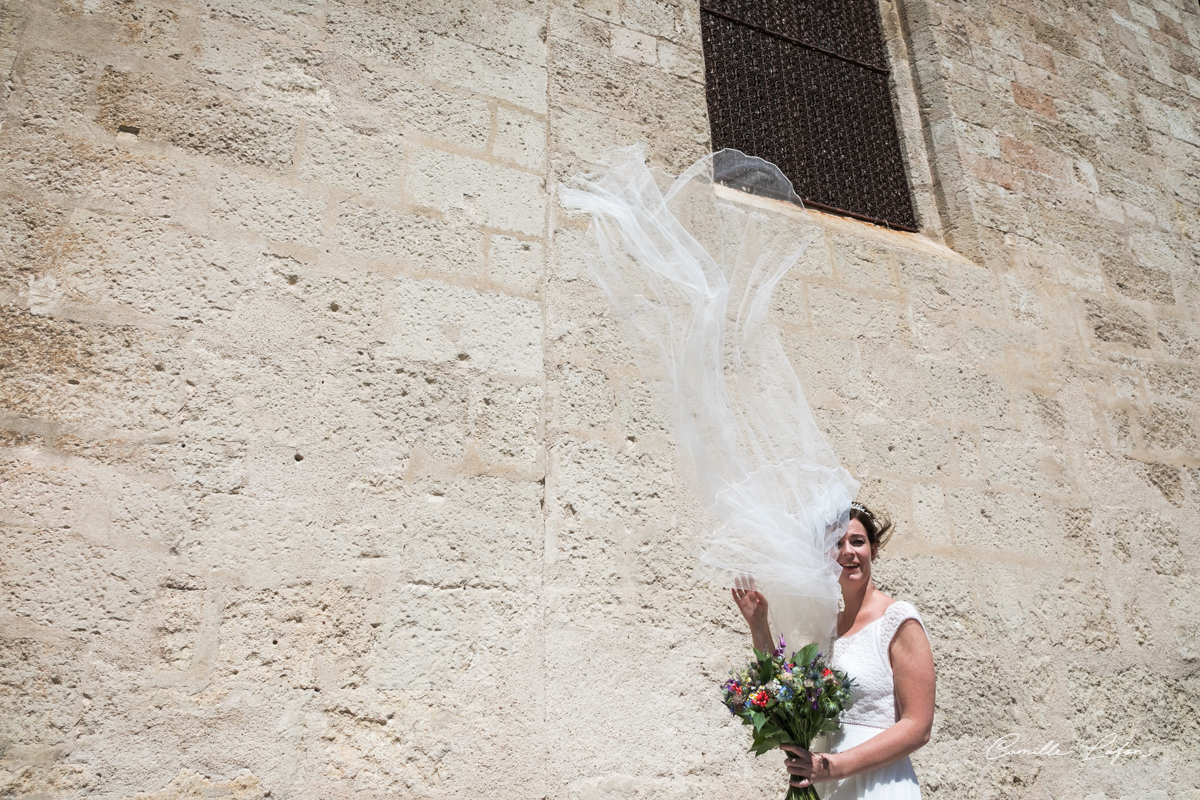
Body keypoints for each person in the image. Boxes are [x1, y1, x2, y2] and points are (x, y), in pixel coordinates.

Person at [732, 503, 935, 799]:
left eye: (857, 541)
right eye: (836, 544)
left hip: (878, 785)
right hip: (827, 785)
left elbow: (918, 726)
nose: (848, 552)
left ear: (874, 550)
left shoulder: (898, 619)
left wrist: (833, 766)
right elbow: (784, 690)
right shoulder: (828, 630)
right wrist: (759, 625)